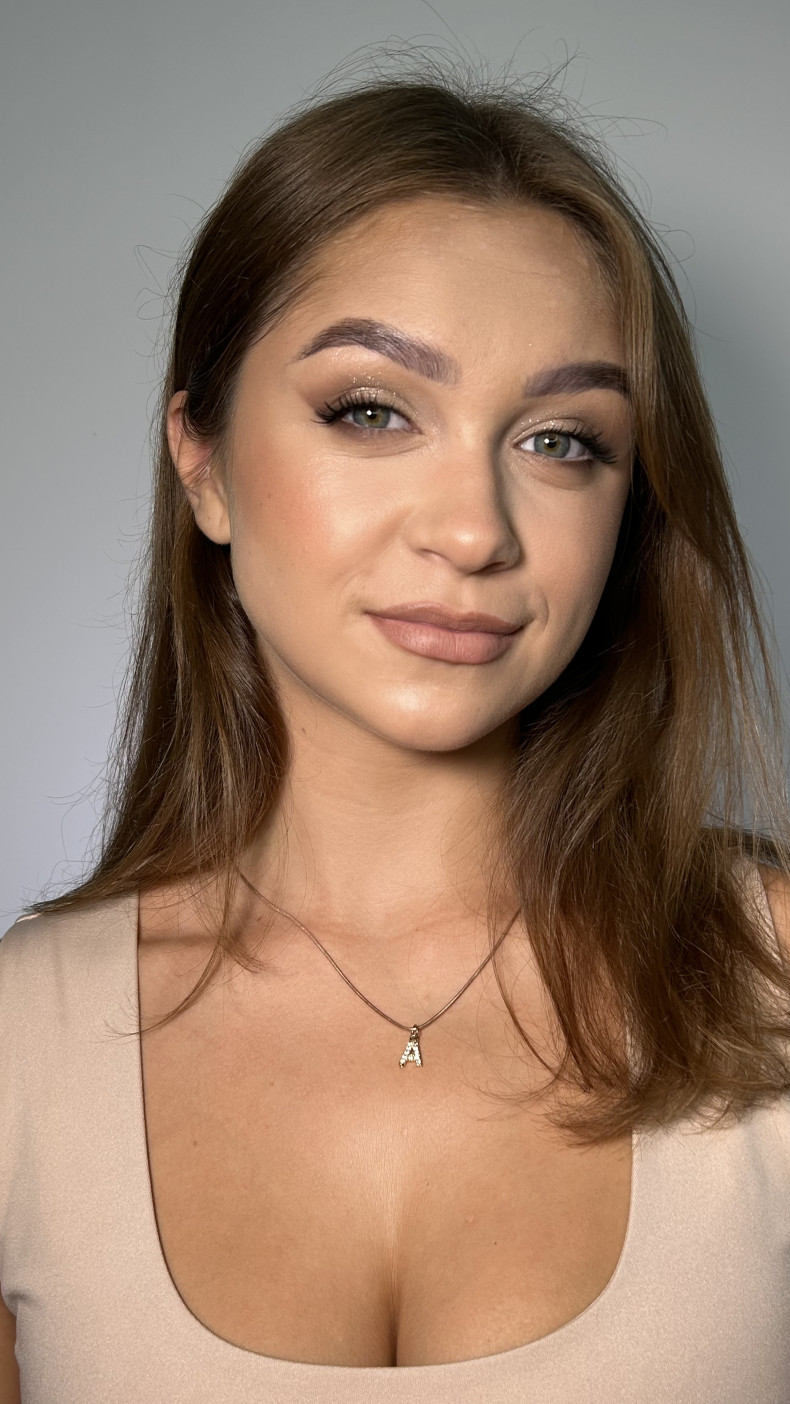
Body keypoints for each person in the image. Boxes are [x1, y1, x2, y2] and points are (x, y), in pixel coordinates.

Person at [1, 52, 789, 1403]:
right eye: (370, 411)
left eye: (562, 439)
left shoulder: (771, 975)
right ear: (202, 462)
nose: (474, 531)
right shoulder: (19, 1045)